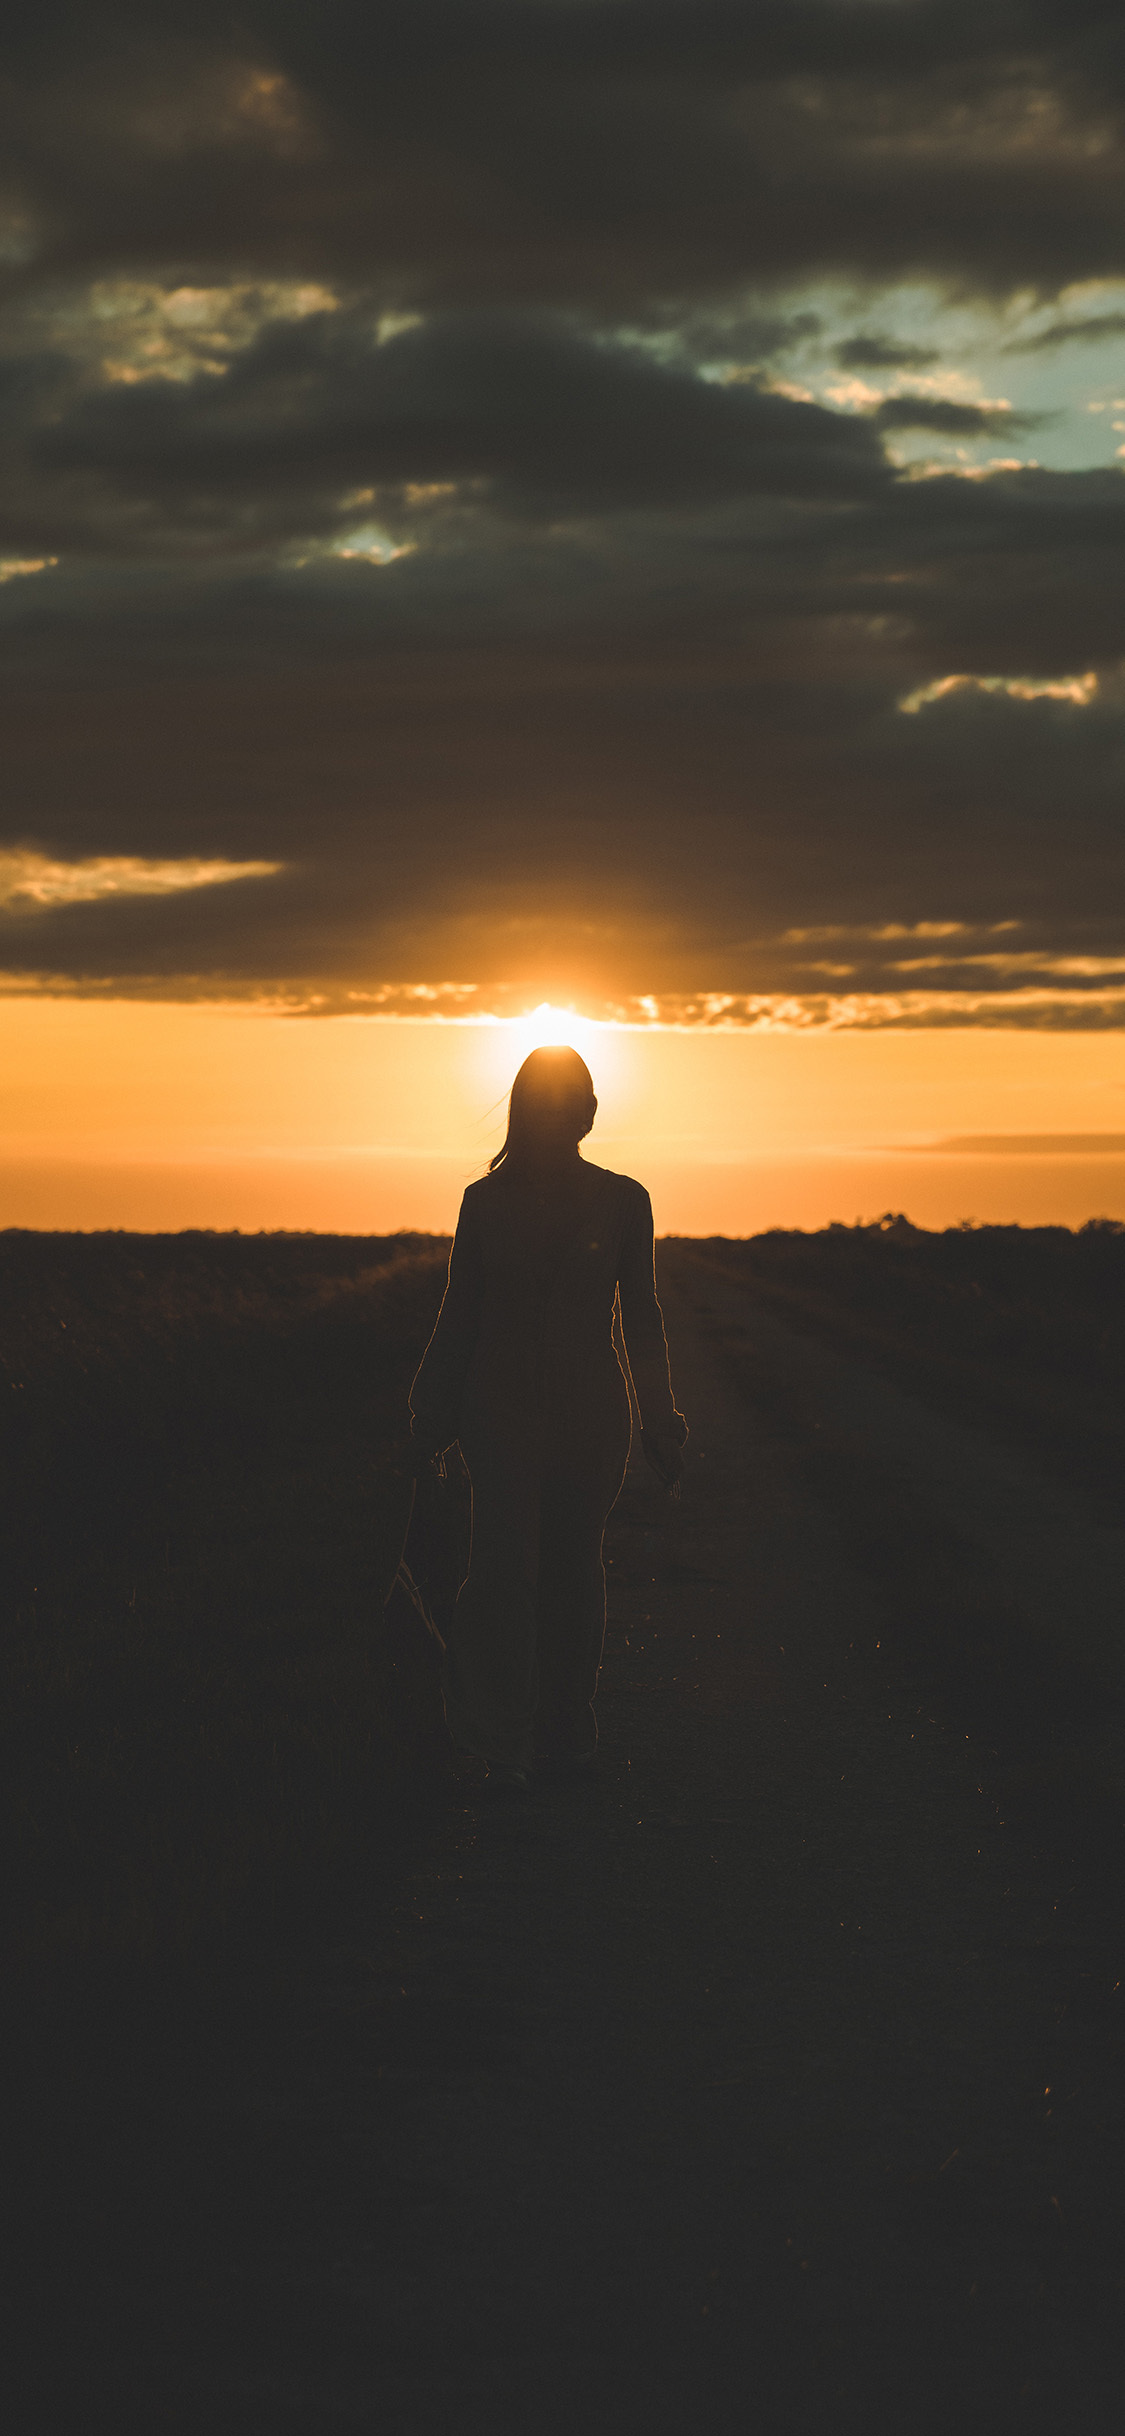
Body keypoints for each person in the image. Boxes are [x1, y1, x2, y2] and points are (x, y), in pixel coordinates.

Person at [409, 1046, 687, 1792]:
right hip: (494, 1409)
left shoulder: (625, 1198)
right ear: (530, 1108)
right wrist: (429, 1406)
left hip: (591, 1410)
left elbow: (643, 1313)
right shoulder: (484, 1200)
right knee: (501, 1573)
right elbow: (458, 1312)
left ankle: (564, 1733)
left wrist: (661, 1414)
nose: (575, 1108)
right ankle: (502, 1734)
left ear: (594, 1110)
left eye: (583, 1096)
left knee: (570, 1571)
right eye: (559, 1097)